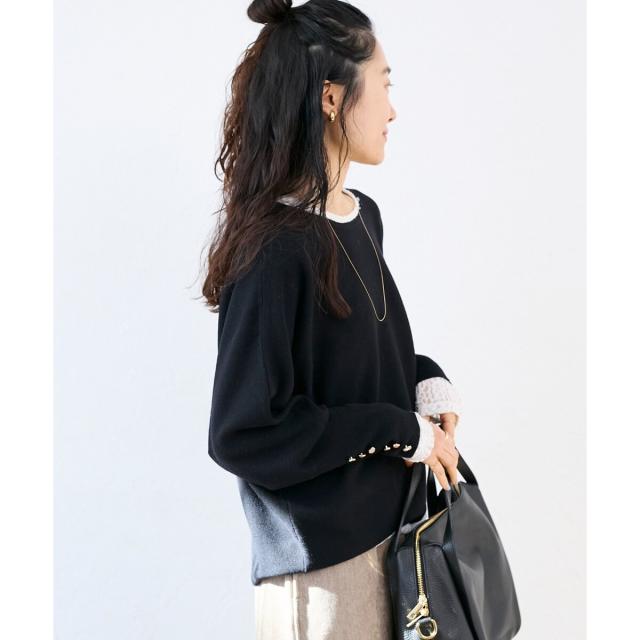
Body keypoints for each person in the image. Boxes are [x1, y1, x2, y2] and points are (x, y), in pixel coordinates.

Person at [201, 1, 462, 637]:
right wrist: (399, 431)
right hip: (322, 572)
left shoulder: (361, 216)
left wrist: (425, 381)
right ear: (331, 98)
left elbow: (350, 355)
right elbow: (244, 433)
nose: (393, 110)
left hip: (392, 542)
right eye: (385, 85)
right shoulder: (274, 247)